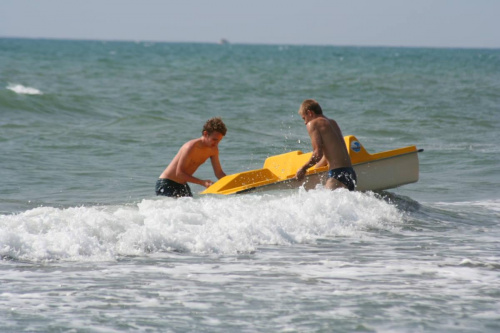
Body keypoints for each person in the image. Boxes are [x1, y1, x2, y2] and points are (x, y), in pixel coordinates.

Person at [295, 99, 357, 191]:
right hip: (350, 173)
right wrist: (316, 168)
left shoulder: (313, 123)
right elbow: (329, 153)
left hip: (337, 174)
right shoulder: (332, 122)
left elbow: (317, 154)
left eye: (304, 118)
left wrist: (303, 169)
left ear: (310, 113)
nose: (305, 123)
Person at [156, 117, 227, 197]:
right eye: (214, 139)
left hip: (182, 184)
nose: (217, 143)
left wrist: (231, 184)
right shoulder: (190, 147)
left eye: (219, 140)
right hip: (166, 184)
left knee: (191, 208)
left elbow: (219, 173)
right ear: (205, 134)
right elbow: (179, 173)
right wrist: (203, 182)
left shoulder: (213, 150)